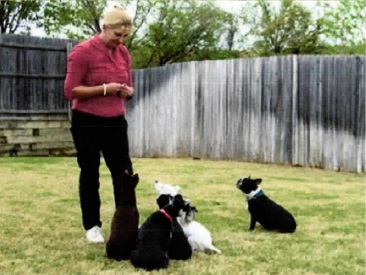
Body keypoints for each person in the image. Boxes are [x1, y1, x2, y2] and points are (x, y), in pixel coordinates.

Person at [64, 6, 134, 243]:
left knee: (124, 173)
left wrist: (128, 91)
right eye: (117, 35)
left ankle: (126, 222)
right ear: (105, 28)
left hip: (115, 120)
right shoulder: (82, 52)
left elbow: (128, 84)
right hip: (87, 121)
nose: (121, 41)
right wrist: (105, 89)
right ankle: (92, 225)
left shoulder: (123, 53)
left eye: (125, 36)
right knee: (90, 172)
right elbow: (70, 91)